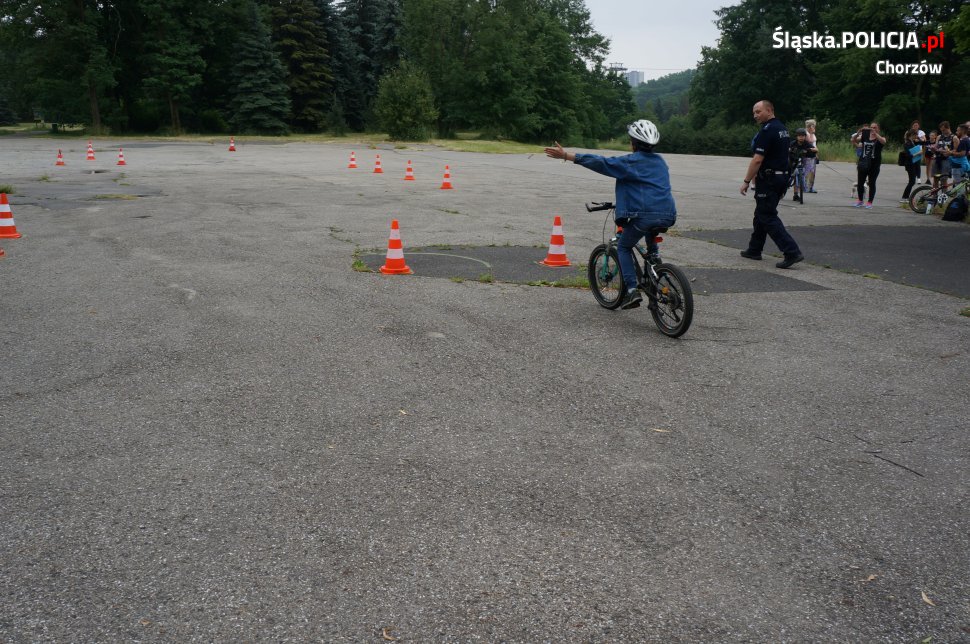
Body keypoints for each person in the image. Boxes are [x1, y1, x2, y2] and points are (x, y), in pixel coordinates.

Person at [544, 119, 676, 309]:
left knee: (623, 247)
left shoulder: (630, 162)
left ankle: (631, 290)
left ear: (633, 143)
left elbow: (601, 162)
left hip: (644, 215)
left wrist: (566, 155)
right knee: (650, 242)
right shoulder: (661, 162)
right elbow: (649, 187)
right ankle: (657, 269)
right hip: (668, 214)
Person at [739, 100, 803, 269]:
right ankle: (754, 249)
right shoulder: (782, 128)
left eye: (758, 111)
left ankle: (791, 251)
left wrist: (746, 181)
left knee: (767, 216)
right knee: (761, 213)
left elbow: (758, 159)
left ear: (769, 110)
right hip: (779, 178)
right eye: (754, 112)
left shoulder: (768, 130)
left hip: (769, 180)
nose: (755, 115)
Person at [853, 122, 886, 208]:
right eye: (871, 127)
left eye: (874, 127)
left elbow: (883, 142)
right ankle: (860, 200)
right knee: (860, 183)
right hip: (863, 162)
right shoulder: (865, 136)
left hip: (874, 164)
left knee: (872, 183)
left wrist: (876, 134)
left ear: (878, 129)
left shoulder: (880, 138)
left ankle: (870, 202)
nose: (872, 129)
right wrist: (858, 133)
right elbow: (853, 140)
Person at [789, 128, 815, 202]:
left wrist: (810, 150)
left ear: (805, 136)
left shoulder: (806, 143)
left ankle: (796, 194)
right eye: (799, 136)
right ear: (796, 137)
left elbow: (816, 149)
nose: (801, 137)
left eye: (803, 136)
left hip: (802, 161)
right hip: (792, 160)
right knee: (789, 174)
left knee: (798, 175)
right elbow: (786, 149)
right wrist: (789, 150)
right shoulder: (793, 143)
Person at [901, 128, 923, 202]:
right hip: (909, 164)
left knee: (912, 181)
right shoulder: (907, 143)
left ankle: (906, 197)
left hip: (913, 163)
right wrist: (918, 153)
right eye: (915, 135)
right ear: (911, 135)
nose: (916, 136)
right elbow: (908, 155)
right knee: (912, 181)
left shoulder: (912, 142)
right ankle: (904, 197)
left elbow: (922, 142)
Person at [936, 121, 956, 191]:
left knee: (944, 178)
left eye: (944, 130)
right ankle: (935, 197)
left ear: (948, 128)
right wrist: (935, 149)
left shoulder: (954, 137)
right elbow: (936, 147)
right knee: (936, 179)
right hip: (938, 159)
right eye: (941, 130)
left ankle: (944, 195)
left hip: (947, 159)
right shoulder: (939, 137)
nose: (942, 132)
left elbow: (956, 151)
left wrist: (948, 152)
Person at [804, 119, 818, 192]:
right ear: (810, 126)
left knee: (812, 171)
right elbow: (810, 141)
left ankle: (811, 187)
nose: (814, 127)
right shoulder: (806, 133)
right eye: (813, 126)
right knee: (807, 171)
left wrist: (816, 154)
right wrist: (812, 133)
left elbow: (814, 144)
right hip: (808, 155)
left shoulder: (812, 133)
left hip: (813, 154)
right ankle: (805, 186)